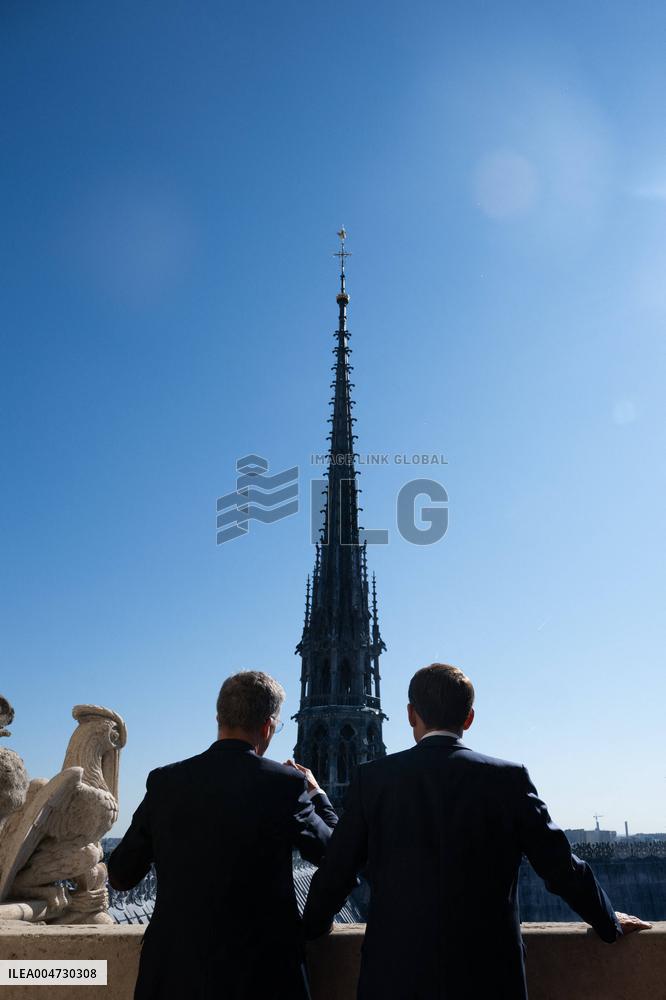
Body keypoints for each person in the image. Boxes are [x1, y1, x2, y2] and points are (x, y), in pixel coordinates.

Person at [302, 663, 651, 1000]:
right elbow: (559, 866)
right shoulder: (508, 779)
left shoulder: (373, 780)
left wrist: (313, 927)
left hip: (395, 977)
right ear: (469, 718)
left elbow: (337, 871)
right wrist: (607, 920)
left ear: (411, 715)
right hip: (488, 977)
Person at [108, 670, 336, 1000]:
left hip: (174, 977)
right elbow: (335, 856)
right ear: (267, 727)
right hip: (263, 980)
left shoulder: (166, 782)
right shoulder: (285, 785)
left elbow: (120, 875)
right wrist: (318, 795)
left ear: (219, 719)